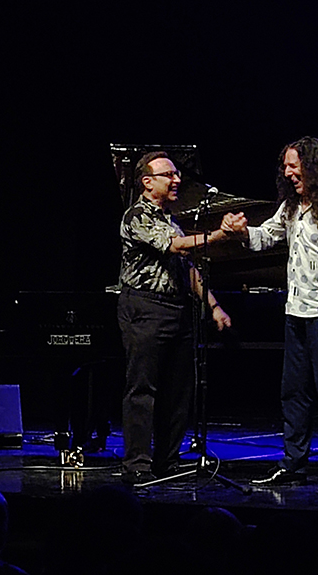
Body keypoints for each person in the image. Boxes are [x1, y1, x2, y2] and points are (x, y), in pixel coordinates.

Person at [222, 136, 318, 491]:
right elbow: (266, 237)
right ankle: (293, 464)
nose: (288, 173)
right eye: (285, 167)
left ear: (313, 166)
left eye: (294, 165)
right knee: (293, 391)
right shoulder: (292, 207)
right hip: (297, 310)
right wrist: (243, 232)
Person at [117, 151, 232, 485]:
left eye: (177, 174)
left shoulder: (168, 217)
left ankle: (167, 459)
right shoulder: (135, 215)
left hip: (176, 308)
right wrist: (220, 235)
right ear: (147, 181)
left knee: (179, 389)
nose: (177, 179)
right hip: (145, 307)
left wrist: (213, 306)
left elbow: (189, 269)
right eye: (169, 174)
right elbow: (177, 248)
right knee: (143, 387)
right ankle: (137, 462)